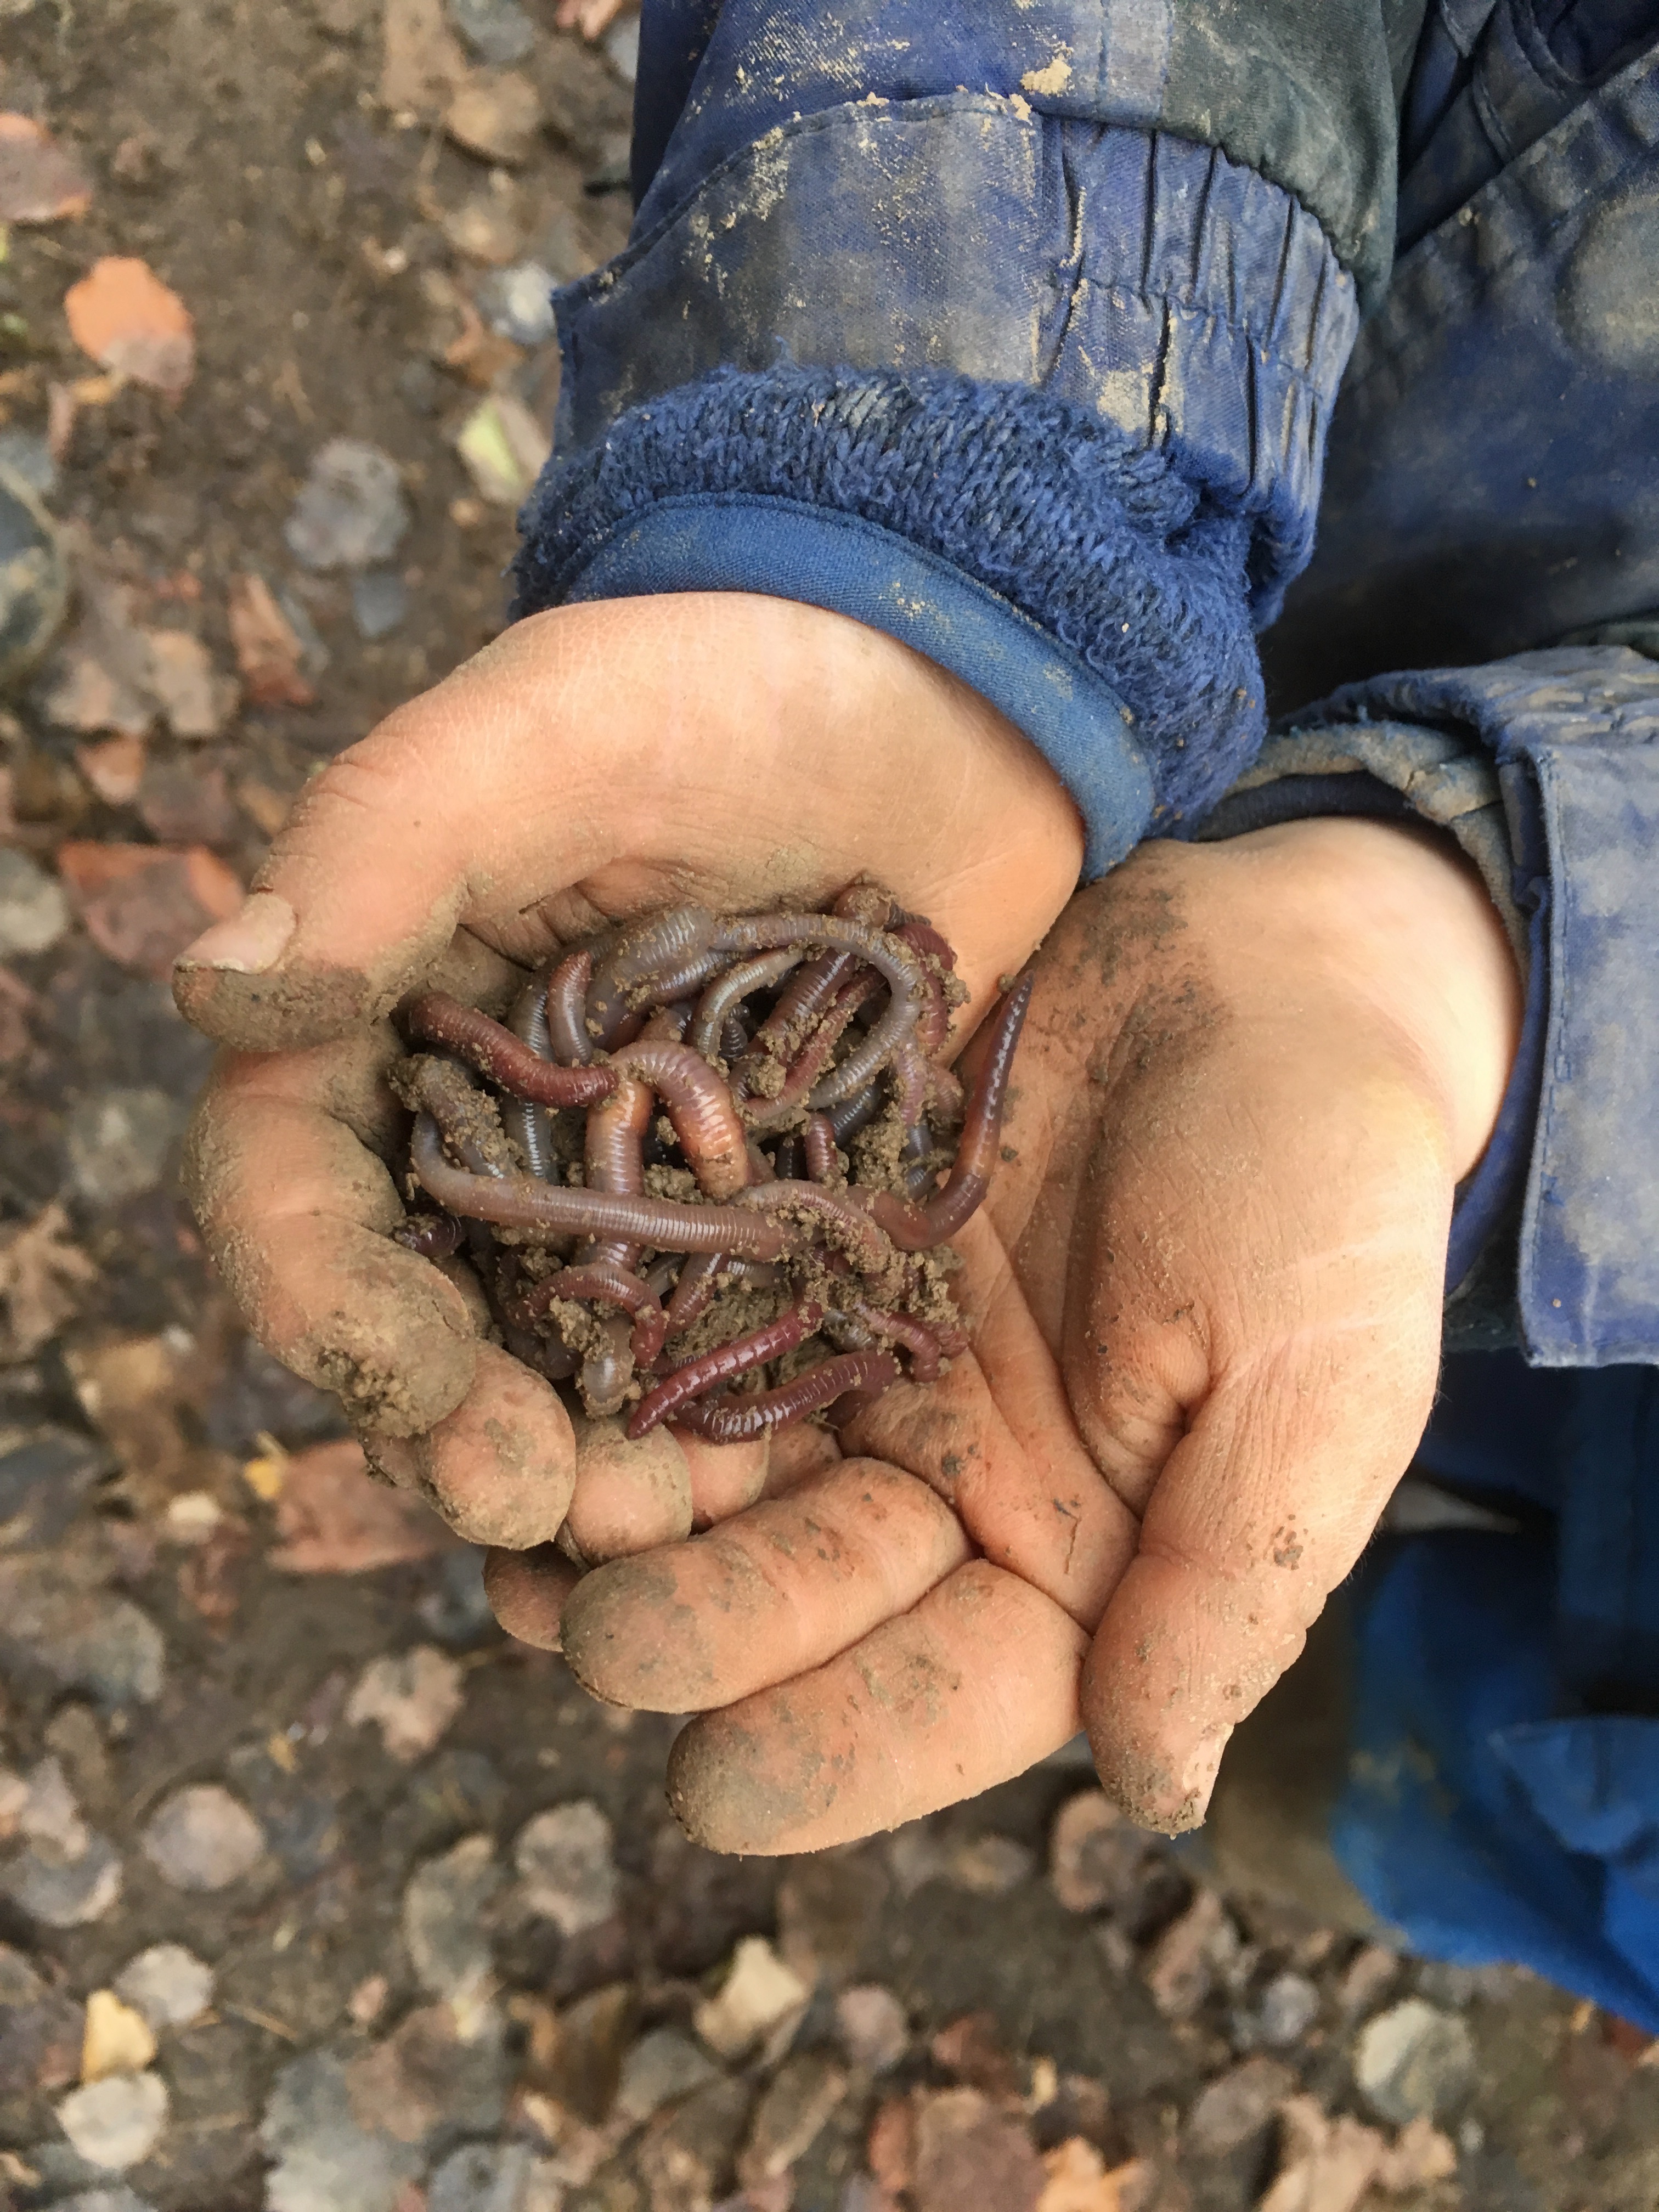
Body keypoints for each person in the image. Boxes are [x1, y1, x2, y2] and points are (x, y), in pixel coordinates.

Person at [173, 2, 1659, 2027]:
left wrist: (1493, 978)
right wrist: (939, 527)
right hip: (1168, 563)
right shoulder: (764, 1064)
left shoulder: (787, 1113)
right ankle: (1419, 1761)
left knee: (1296, 1438)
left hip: (1555, 1207)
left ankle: (1425, 1759)